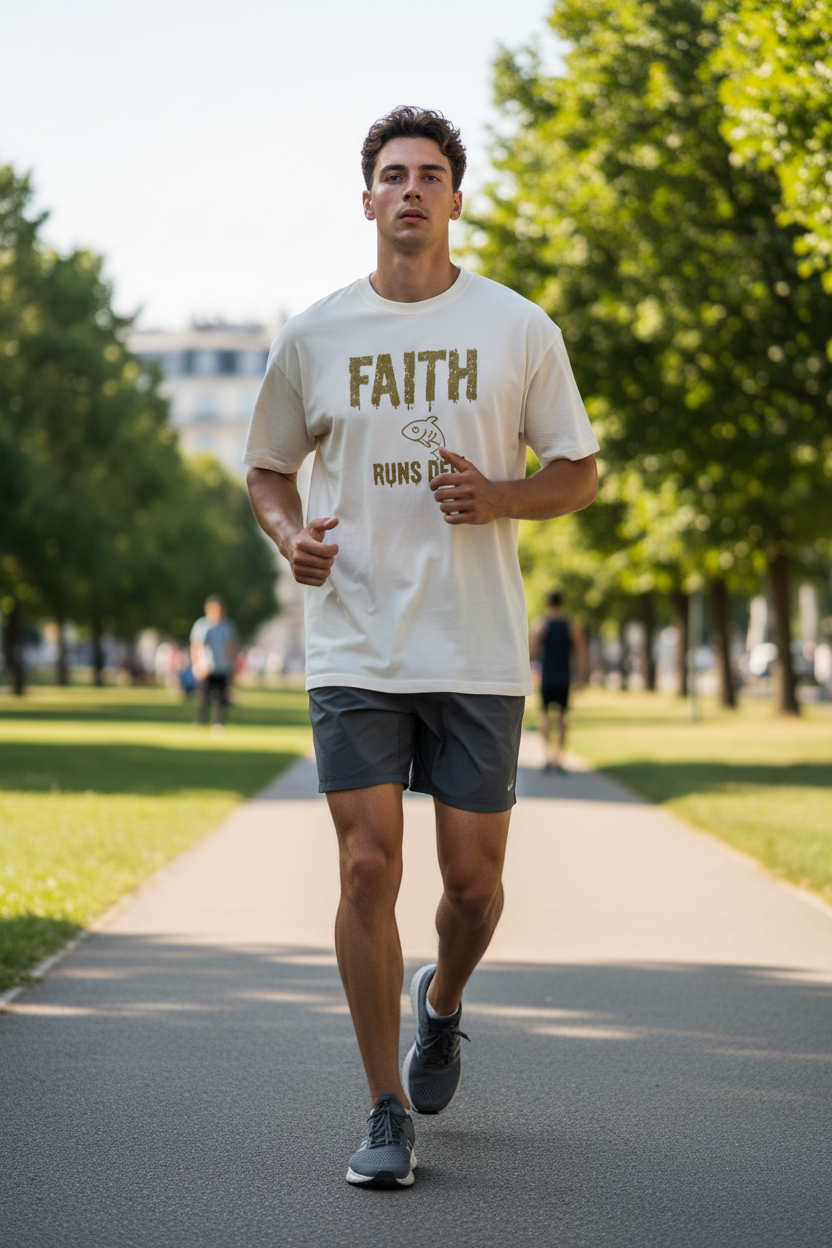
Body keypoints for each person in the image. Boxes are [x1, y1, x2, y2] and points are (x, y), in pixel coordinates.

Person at [244, 106, 598, 1188]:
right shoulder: (313, 336)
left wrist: (499, 495)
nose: (408, 189)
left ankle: (439, 1004)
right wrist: (290, 534)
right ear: (366, 201)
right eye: (391, 174)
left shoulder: (518, 328)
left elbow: (576, 471)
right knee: (364, 867)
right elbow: (267, 470)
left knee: (474, 889)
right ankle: (385, 1108)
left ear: (454, 197)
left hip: (477, 646)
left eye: (429, 174)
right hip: (354, 643)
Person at [530, 591, 589, 772]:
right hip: (564, 677)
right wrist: (582, 676)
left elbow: (531, 651)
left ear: (547, 605)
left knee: (545, 716)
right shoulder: (571, 626)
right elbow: (581, 652)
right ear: (562, 604)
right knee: (563, 717)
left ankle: (548, 757)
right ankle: (559, 759)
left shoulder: (541, 625)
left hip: (547, 677)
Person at [190, 596, 239, 731]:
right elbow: (196, 646)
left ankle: (217, 723)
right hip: (206, 667)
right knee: (203, 697)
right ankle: (200, 722)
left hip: (222, 666)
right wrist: (197, 664)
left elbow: (232, 646)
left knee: (220, 697)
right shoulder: (202, 625)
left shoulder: (227, 626)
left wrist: (232, 665)